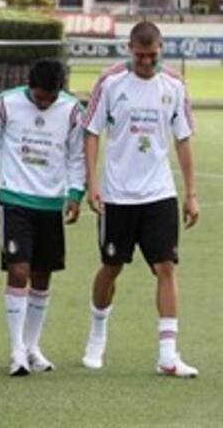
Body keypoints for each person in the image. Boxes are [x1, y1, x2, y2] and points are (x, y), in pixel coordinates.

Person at [81, 21, 200, 378]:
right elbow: (91, 132)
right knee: (112, 267)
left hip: (159, 193)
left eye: (153, 55)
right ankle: (97, 334)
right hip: (118, 195)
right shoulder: (111, 81)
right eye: (140, 55)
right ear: (129, 49)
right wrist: (92, 183)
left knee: (166, 267)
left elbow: (183, 140)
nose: (147, 62)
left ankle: (167, 354)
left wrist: (191, 194)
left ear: (161, 48)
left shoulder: (175, 85)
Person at [0, 59, 85, 376]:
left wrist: (75, 193)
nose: (45, 103)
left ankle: (32, 346)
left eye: (51, 97)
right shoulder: (5, 104)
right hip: (15, 199)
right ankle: (16, 351)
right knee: (19, 270)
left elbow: (76, 155)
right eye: (40, 97)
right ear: (30, 87)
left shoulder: (71, 111)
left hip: (50, 203)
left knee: (43, 275)